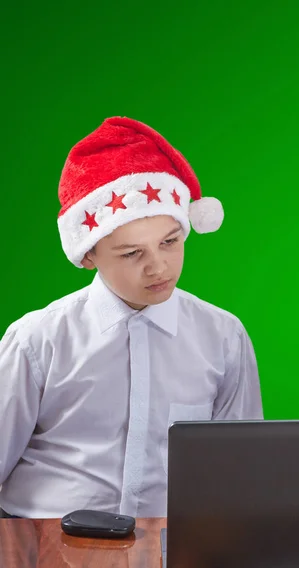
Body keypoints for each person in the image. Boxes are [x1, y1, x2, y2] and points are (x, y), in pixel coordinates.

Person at [0, 117, 263, 518]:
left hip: (175, 543)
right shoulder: (37, 340)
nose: (159, 267)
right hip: (44, 540)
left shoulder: (223, 336)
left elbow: (241, 471)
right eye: (131, 253)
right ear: (88, 255)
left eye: (170, 242)